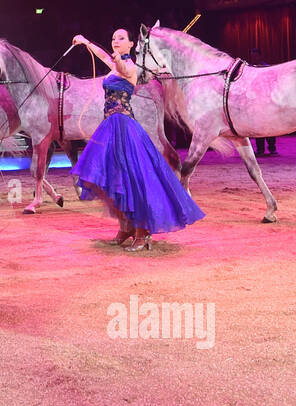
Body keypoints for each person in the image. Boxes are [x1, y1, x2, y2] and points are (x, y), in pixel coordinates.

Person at [69, 28, 205, 251]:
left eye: (121, 38)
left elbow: (121, 67)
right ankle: (126, 227)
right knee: (113, 177)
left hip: (124, 126)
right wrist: (85, 42)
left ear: (131, 44)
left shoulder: (129, 67)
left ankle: (142, 232)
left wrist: (117, 60)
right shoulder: (114, 64)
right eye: (113, 38)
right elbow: (103, 56)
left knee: (132, 178)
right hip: (109, 126)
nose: (115, 41)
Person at [247, 47, 277, 156]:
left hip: (266, 101)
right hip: (256, 102)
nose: (253, 58)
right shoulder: (250, 68)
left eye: (255, 55)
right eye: (252, 56)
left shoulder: (266, 68)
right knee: (258, 127)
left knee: (270, 127)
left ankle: (272, 149)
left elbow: (272, 83)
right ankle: (260, 150)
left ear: (260, 56)